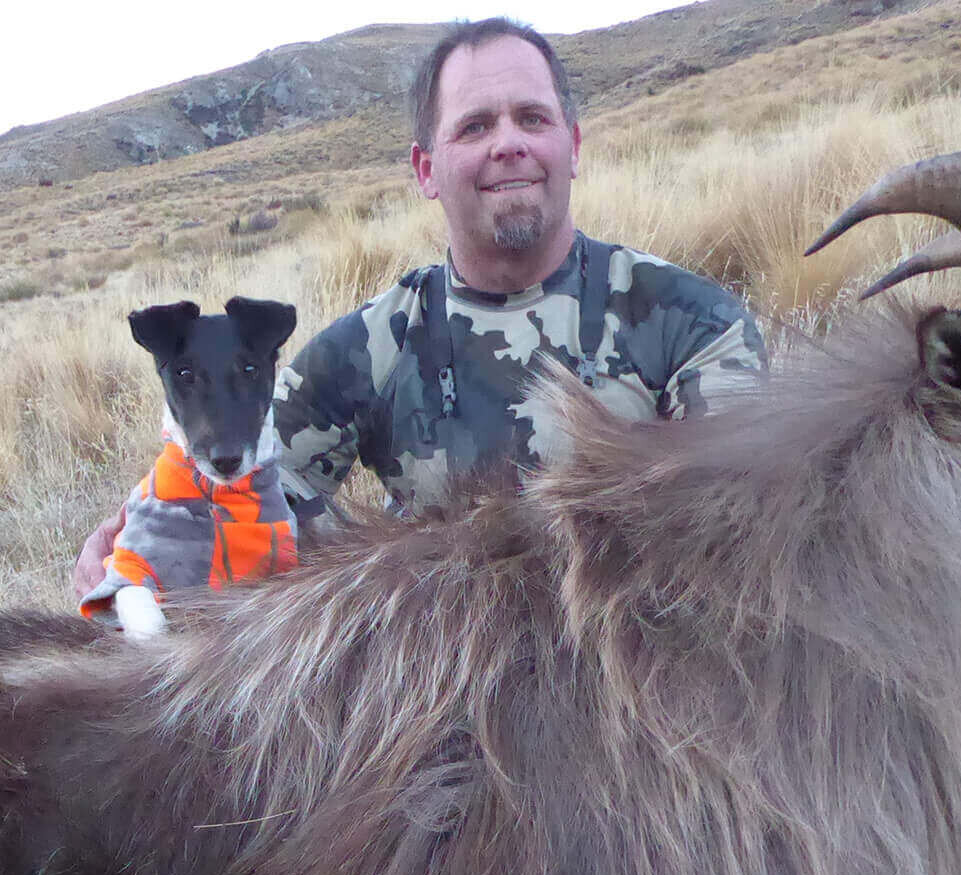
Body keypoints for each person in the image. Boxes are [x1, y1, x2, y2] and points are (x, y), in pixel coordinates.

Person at [74, 16, 766, 595]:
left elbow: (745, 532)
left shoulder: (694, 323)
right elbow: (230, 481)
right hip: (439, 702)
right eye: (474, 127)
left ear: (573, 145)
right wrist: (127, 556)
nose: (509, 143)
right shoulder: (370, 346)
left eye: (533, 117)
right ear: (426, 169)